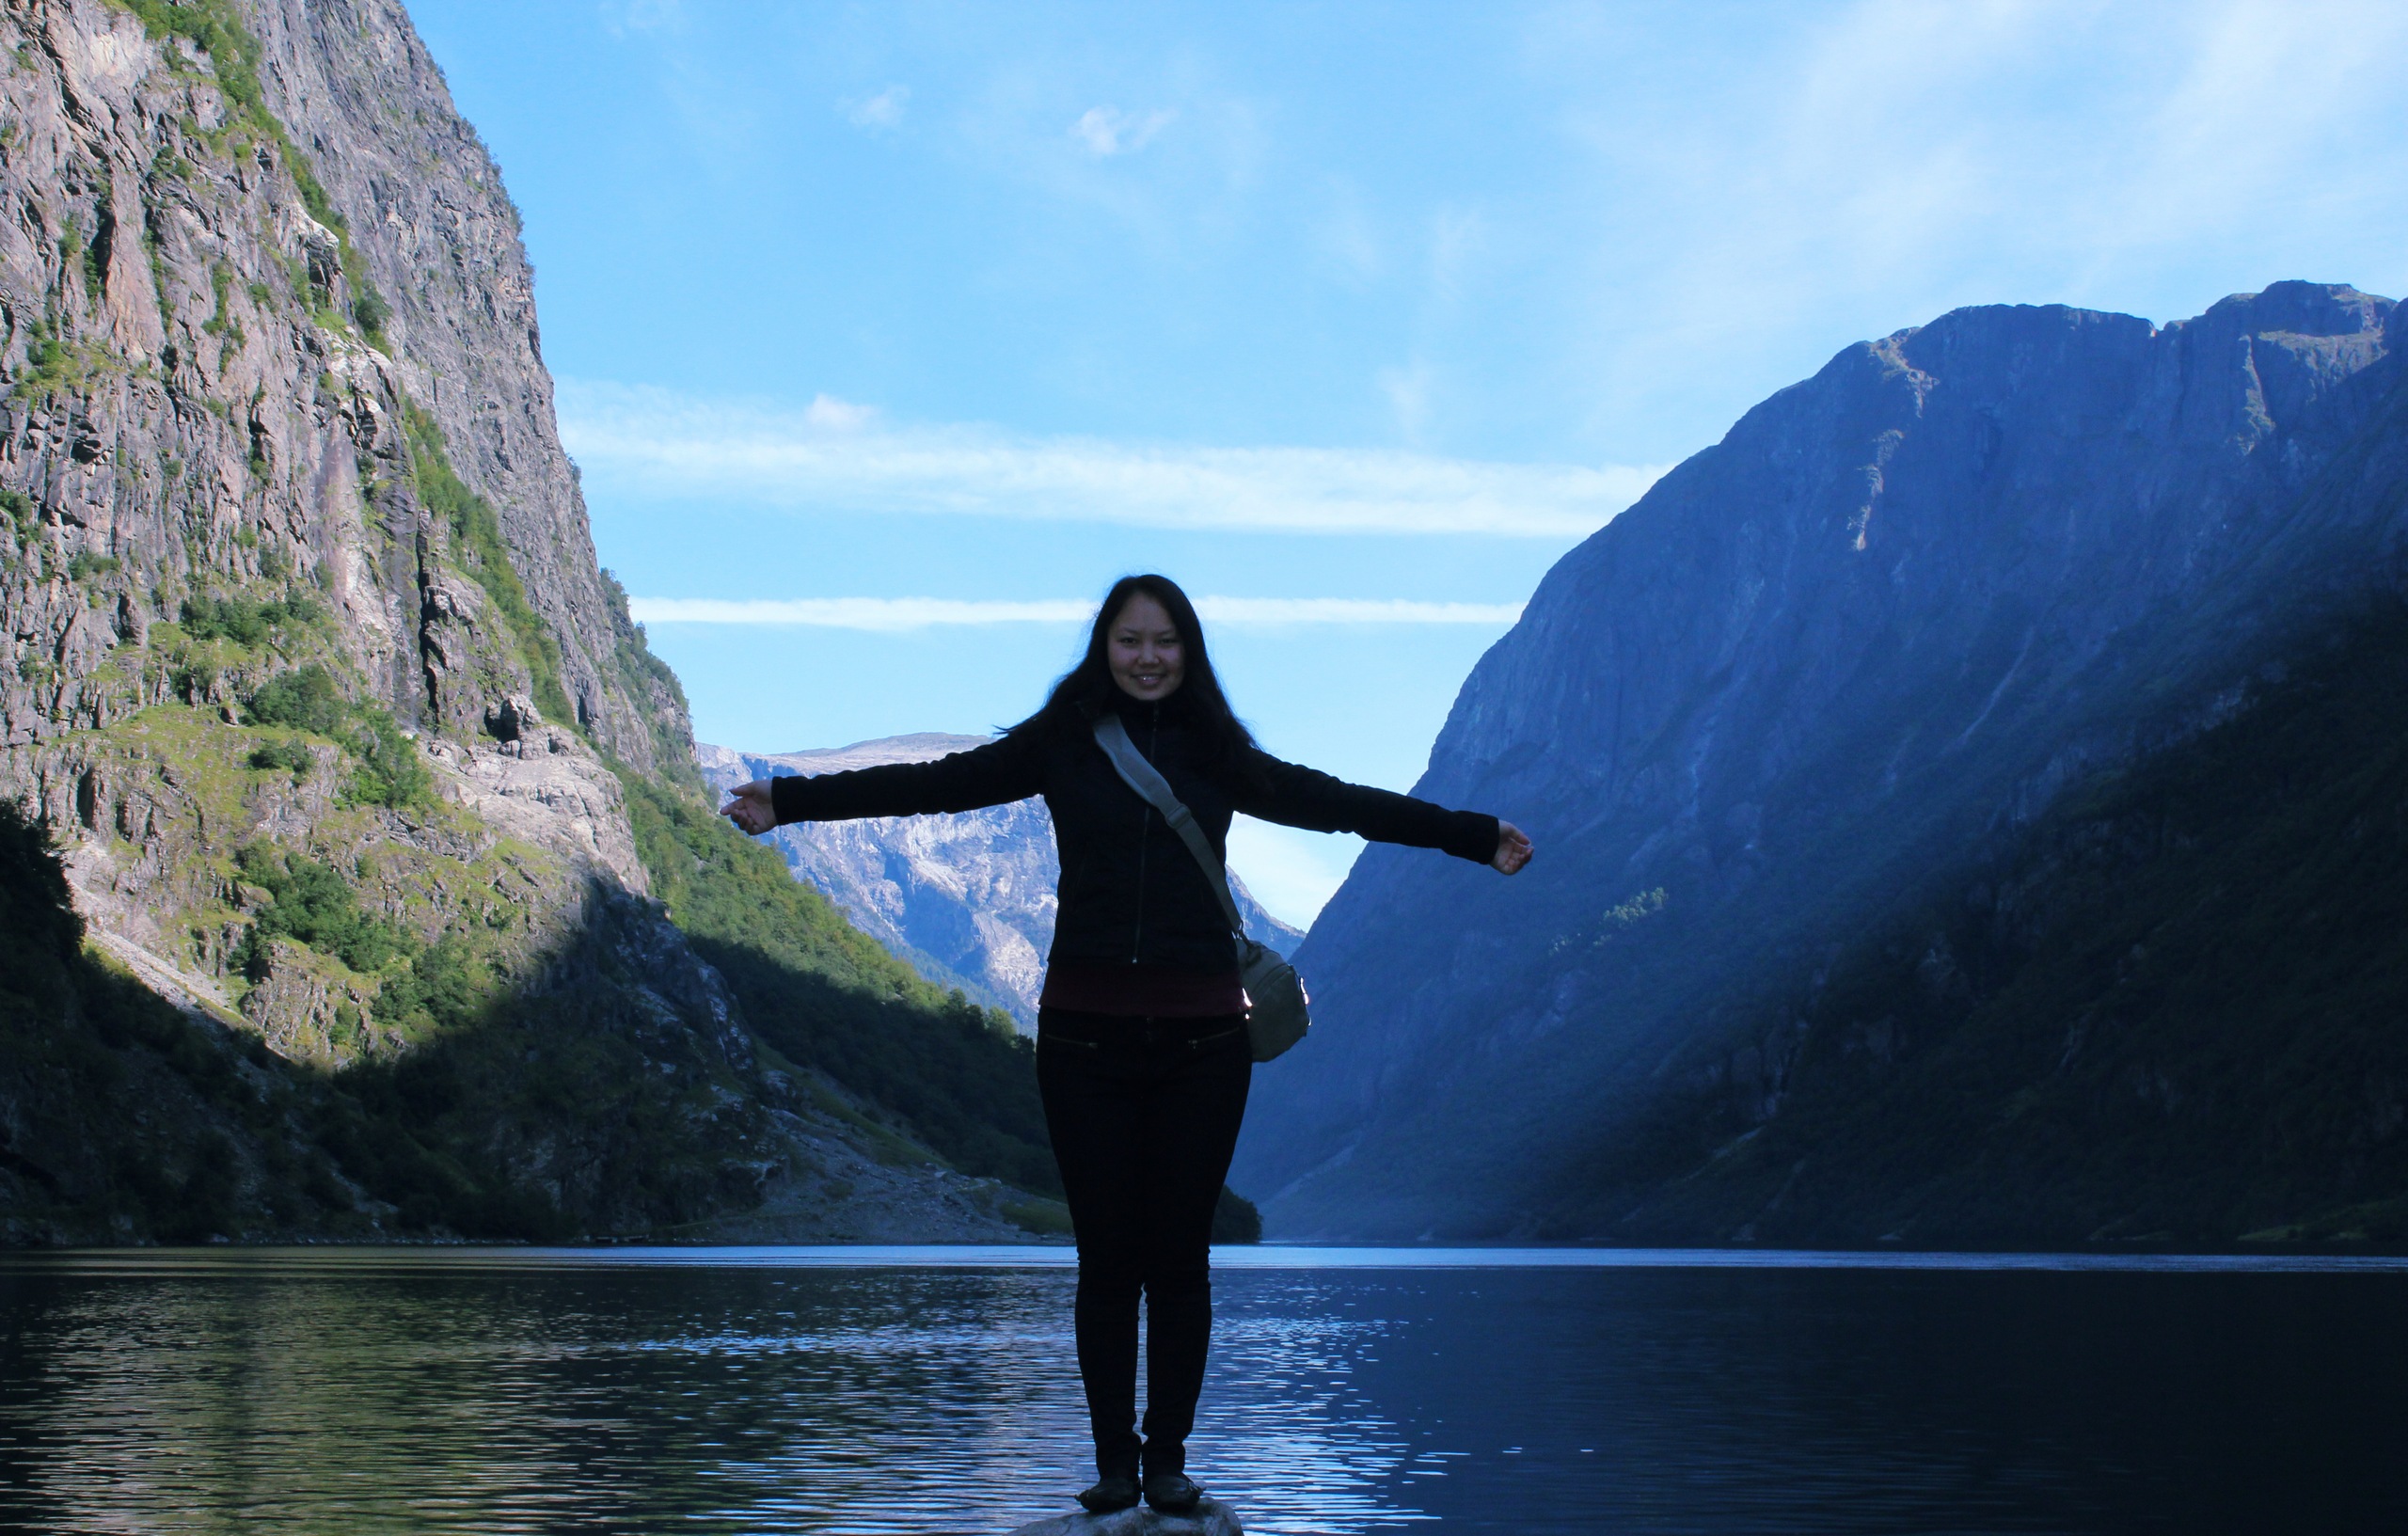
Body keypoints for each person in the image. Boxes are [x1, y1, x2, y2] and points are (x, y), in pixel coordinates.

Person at [721, 574, 1532, 1514]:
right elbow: (931, 786)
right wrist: (788, 799)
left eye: (1164, 640)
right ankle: (1115, 1465)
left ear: (1188, 651)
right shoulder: (1061, 742)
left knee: (1179, 1259)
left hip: (1204, 1039)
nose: (1148, 657)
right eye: (1130, 640)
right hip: (1083, 1039)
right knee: (1108, 1260)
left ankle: (1168, 1463)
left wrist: (1473, 835)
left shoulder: (1218, 753)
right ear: (1105, 647)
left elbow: (1341, 803)